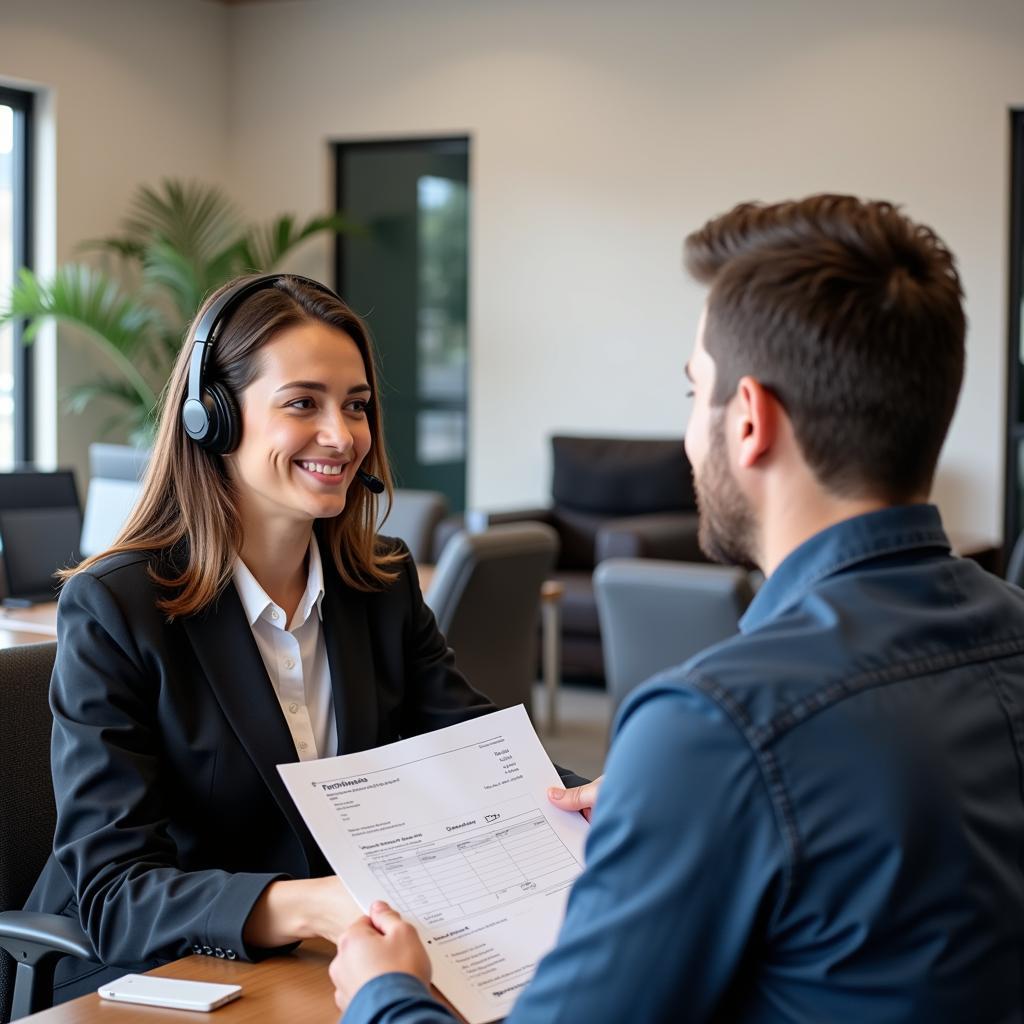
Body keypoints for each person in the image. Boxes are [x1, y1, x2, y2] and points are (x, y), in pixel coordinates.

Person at [328, 195, 1024, 1023]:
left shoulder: (718, 723)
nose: (691, 436)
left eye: (696, 395)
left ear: (751, 422)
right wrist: (677, 801)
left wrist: (384, 994)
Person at [24, 273, 584, 1002]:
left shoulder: (379, 586)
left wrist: (591, 797)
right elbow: (115, 893)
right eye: (302, 404)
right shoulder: (116, 608)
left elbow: (476, 754)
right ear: (213, 419)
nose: (342, 436)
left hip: (329, 963)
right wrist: (310, 903)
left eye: (356, 406)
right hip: (153, 975)